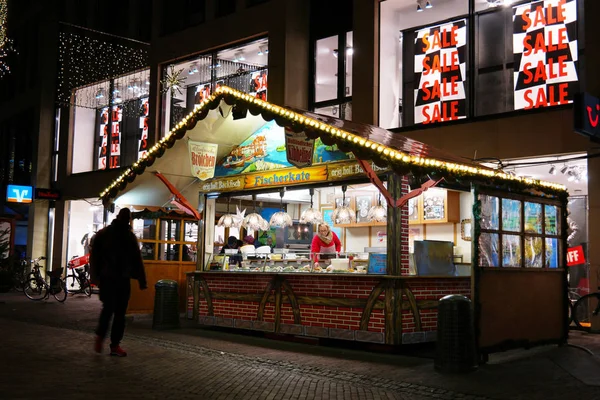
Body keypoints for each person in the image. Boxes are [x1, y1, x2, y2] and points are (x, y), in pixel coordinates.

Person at [90, 208, 147, 357]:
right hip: (122, 278)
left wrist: (95, 277)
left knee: (107, 309)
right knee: (119, 314)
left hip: (107, 278)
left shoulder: (103, 234)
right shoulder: (129, 236)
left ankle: (100, 336)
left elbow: (94, 257)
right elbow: (137, 260)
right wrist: (142, 279)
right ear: (128, 219)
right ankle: (115, 345)